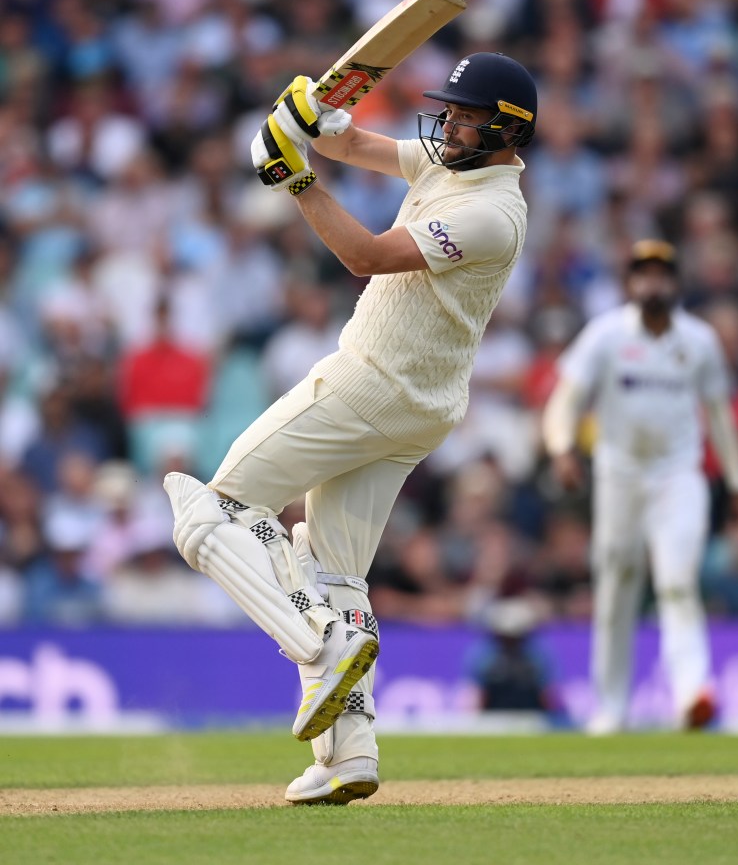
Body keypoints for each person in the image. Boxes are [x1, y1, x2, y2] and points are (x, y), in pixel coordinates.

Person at [163, 51, 536, 803]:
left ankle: (321, 641)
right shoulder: (451, 163)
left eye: (465, 115)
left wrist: (292, 179)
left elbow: (366, 256)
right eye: (451, 110)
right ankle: (349, 754)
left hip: (372, 382)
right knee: (333, 569)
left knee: (209, 511)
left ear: (505, 130)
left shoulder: (491, 214)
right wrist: (309, 120)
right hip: (420, 407)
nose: (449, 123)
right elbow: (354, 144)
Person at [542, 239, 738, 733]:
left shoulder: (698, 340)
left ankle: (691, 695)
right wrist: (561, 448)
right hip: (619, 477)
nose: (652, 283)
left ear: (674, 282)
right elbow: (565, 401)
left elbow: (721, 419)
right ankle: (610, 708)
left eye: (661, 274)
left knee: (678, 583)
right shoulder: (606, 334)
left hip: (679, 477)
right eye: (642, 273)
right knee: (616, 588)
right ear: (629, 282)